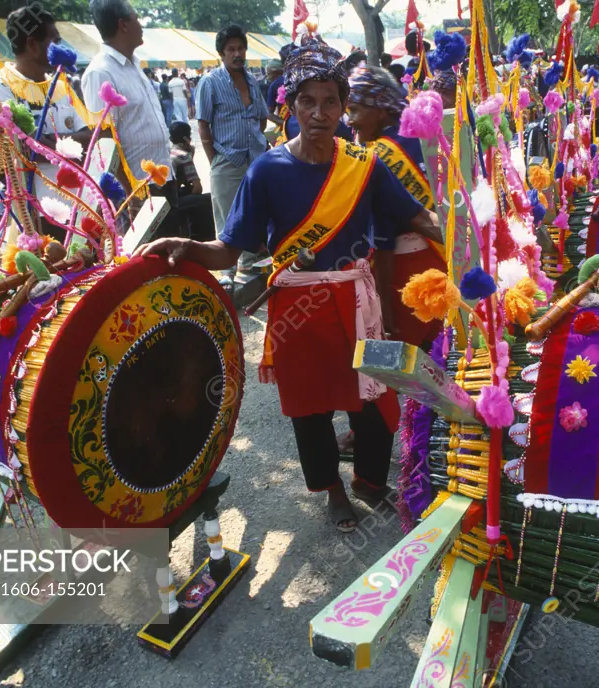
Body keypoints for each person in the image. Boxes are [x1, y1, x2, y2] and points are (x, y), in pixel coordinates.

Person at [134, 39, 442, 533]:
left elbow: (420, 219)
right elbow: (230, 250)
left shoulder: (366, 165)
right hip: (299, 306)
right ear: (290, 105)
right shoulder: (267, 171)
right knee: (311, 406)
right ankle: (334, 491)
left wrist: (475, 233)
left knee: (374, 400)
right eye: (307, 101)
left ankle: (367, 479)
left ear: (344, 106)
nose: (319, 113)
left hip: (358, 302)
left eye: (331, 102)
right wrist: (188, 248)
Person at [347, 65, 446, 349]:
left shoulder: (376, 156)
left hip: (406, 278)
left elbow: (382, 236)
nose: (349, 120)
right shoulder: (422, 135)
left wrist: (386, 309)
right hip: (444, 261)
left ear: (379, 109)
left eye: (354, 110)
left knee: (419, 368)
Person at [194, 25, 269, 285]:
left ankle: (250, 267)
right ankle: (226, 273)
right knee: (226, 217)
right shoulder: (210, 82)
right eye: (231, 49)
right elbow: (203, 123)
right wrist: (214, 157)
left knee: (254, 212)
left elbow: (261, 117)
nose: (238, 54)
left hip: (255, 161)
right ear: (222, 53)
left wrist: (256, 143)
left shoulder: (252, 80)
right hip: (226, 160)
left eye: (241, 48)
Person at [83, 0, 170, 181]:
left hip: (161, 177)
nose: (140, 25)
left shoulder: (134, 65)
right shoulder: (100, 72)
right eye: (136, 18)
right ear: (123, 25)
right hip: (137, 186)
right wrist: (128, 190)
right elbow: (104, 140)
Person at [0, 7, 92, 149]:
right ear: (33, 45)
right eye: (55, 42)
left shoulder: (60, 86)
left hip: (71, 171)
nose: (61, 48)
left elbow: (89, 136)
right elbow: (21, 144)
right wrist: (67, 143)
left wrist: (47, 139)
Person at [168, 120, 215, 241]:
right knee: (207, 199)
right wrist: (190, 156)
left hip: (165, 198)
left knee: (191, 197)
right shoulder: (183, 155)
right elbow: (197, 188)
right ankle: (201, 239)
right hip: (172, 202)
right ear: (186, 138)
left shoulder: (169, 152)